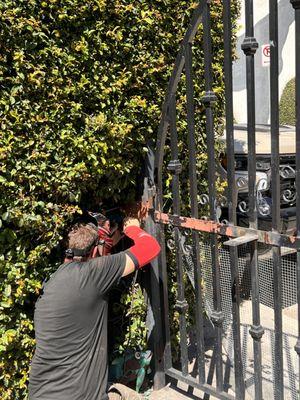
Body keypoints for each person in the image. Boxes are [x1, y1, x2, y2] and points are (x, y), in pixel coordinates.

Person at [28, 217, 161, 400]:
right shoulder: (92, 274)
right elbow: (150, 248)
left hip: (40, 392)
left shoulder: (52, 282)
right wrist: (132, 228)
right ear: (93, 252)